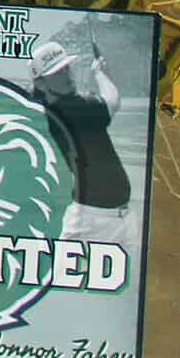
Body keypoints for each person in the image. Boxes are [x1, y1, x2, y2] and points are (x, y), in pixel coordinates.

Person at [31, 38, 135, 249]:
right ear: (41, 83)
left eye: (66, 69)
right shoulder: (69, 108)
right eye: (57, 74)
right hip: (89, 222)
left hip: (119, 218)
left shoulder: (55, 106)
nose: (67, 77)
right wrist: (99, 73)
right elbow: (112, 100)